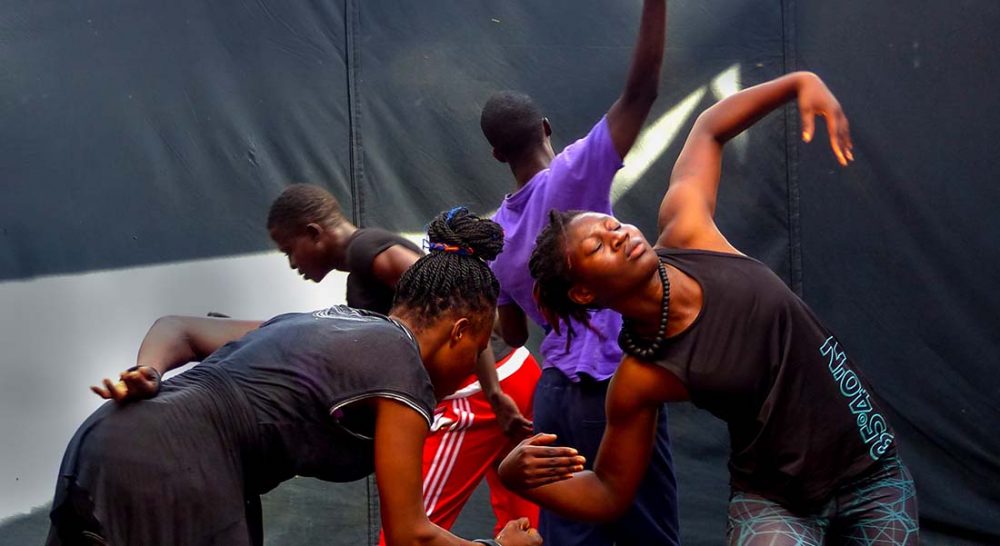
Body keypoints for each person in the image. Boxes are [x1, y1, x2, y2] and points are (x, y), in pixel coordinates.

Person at [501, 71, 919, 545]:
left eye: (611, 225)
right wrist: (518, 480)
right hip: (775, 498)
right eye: (599, 246)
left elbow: (709, 128)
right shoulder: (641, 376)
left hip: (872, 470)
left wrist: (798, 83)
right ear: (583, 293)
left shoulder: (688, 231)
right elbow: (609, 492)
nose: (617, 234)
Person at [46, 209, 545, 546]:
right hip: (176, 468)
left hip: (109, 434)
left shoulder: (326, 320)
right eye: (479, 349)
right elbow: (410, 533)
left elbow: (177, 327)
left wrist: (148, 373)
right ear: (459, 332)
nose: (472, 369)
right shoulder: (403, 369)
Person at [479, 0, 678, 544]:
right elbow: (641, 93)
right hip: (614, 385)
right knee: (648, 532)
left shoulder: (495, 233)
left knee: (571, 535)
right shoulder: (573, 174)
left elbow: (514, 334)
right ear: (545, 127)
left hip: (555, 396)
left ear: (497, 154)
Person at [266, 185, 541, 538]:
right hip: (508, 377)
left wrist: (492, 393)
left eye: (290, 250)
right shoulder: (363, 261)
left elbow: (461, 308)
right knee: (521, 527)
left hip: (480, 392)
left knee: (410, 529)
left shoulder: (369, 251)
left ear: (313, 233)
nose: (292, 263)